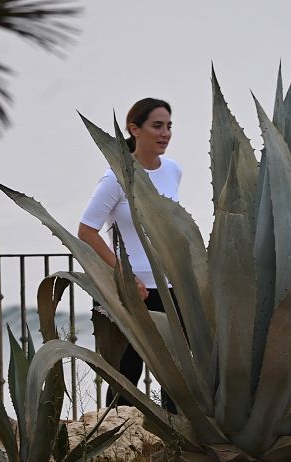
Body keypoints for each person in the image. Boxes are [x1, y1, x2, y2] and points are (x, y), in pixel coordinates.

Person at [78, 98, 180, 413]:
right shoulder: (115, 178)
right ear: (134, 129)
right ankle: (118, 444)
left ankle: (175, 443)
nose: (165, 133)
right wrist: (124, 275)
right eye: (157, 126)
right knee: (127, 375)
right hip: (132, 290)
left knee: (176, 376)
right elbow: (86, 230)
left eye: (169, 126)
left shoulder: (173, 171)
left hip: (170, 288)